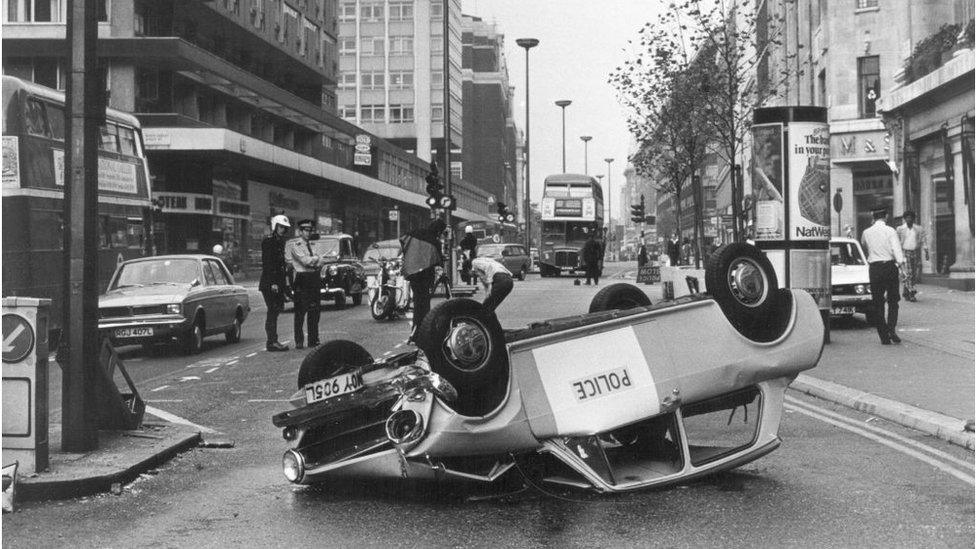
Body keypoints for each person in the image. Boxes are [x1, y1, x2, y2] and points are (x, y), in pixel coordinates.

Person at [861, 207, 906, 345]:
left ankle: (883, 336)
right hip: (889, 267)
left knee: (878, 303)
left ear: (873, 217)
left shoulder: (866, 232)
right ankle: (891, 329)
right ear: (886, 216)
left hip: (874, 268)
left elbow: (864, 245)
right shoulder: (890, 231)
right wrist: (903, 269)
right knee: (893, 301)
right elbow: (897, 251)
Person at [400, 218, 446, 341]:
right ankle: (424, 331)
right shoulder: (435, 242)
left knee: (417, 303)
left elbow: (403, 242)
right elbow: (438, 260)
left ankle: (416, 331)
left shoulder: (414, 232)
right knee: (425, 304)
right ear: (439, 230)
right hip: (425, 276)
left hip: (413, 274)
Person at [288, 219, 323, 349]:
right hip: (302, 278)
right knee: (300, 312)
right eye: (306, 230)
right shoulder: (295, 245)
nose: (308, 233)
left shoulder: (314, 244)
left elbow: (321, 261)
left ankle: (313, 339)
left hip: (314, 277)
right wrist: (315, 259)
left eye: (310, 230)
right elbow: (305, 261)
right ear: (300, 231)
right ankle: (299, 341)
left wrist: (314, 260)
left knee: (315, 311)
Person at [259, 215, 291, 352]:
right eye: (281, 227)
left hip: (278, 282)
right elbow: (268, 264)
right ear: (275, 226)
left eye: (285, 228)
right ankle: (271, 342)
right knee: (272, 311)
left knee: (276, 311)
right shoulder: (269, 241)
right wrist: (273, 283)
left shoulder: (280, 241)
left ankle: (273, 340)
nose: (283, 230)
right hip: (270, 283)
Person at [896, 210, 928, 302]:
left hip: (915, 252)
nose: (909, 219)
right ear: (905, 219)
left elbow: (923, 240)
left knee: (913, 273)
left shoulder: (919, 229)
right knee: (908, 273)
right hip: (904, 252)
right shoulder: (900, 229)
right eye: (907, 218)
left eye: (910, 218)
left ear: (913, 219)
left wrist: (926, 251)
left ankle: (906, 291)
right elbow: (896, 242)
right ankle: (912, 293)